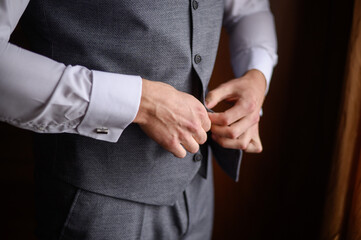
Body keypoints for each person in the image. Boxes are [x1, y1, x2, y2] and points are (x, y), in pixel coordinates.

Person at [0, 0, 277, 239]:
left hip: (197, 189)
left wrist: (257, 73)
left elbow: (249, 9)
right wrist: (141, 102)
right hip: (97, 200)